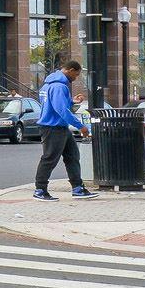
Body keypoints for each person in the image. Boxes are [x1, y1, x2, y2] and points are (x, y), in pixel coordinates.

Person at [32, 59, 97, 201]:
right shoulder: (59, 86)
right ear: (70, 70)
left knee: (72, 156)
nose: (76, 78)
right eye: (76, 74)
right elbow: (62, 110)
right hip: (53, 127)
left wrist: (72, 101)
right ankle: (40, 190)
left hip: (59, 127)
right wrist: (81, 126)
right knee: (49, 158)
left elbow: (53, 103)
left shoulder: (48, 84)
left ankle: (78, 188)